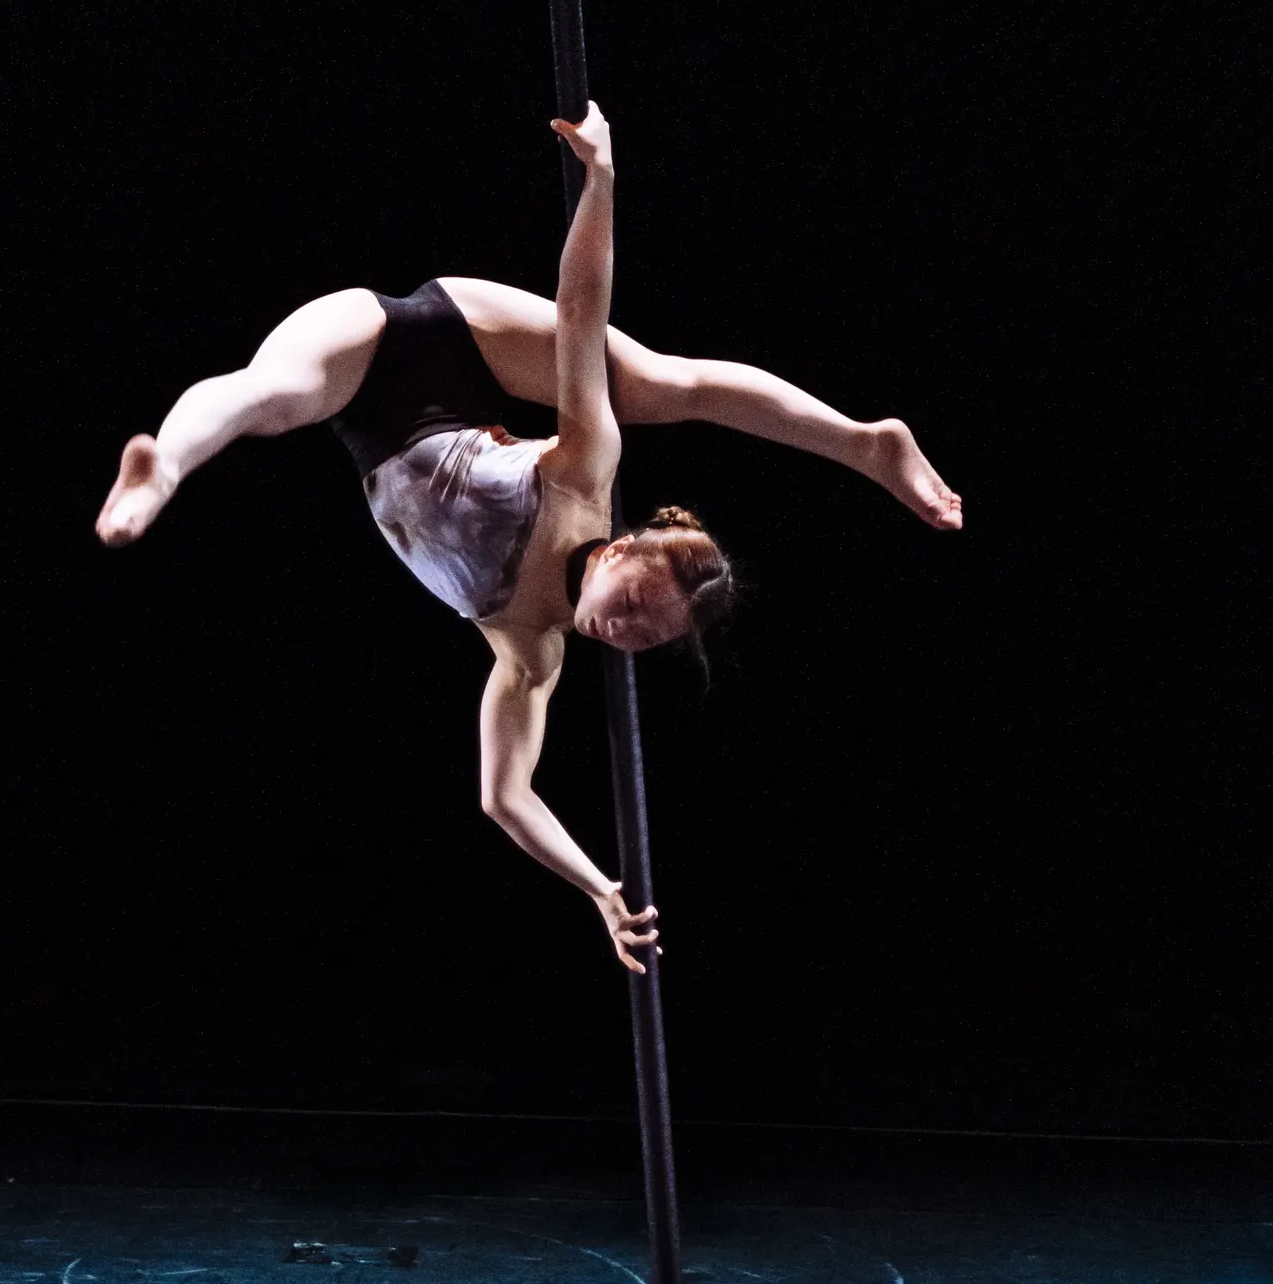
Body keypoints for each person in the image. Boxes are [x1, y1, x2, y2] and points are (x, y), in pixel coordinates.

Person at [96, 104, 961, 970]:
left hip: (360, 397)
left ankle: (163, 477)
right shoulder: (583, 471)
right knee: (655, 383)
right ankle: (864, 439)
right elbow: (581, 309)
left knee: (283, 402)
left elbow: (505, 795)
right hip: (463, 338)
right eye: (634, 609)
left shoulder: (527, 648)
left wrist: (597, 888)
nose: (620, 634)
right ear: (624, 551)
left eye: (639, 640)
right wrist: (601, 180)